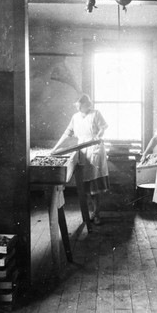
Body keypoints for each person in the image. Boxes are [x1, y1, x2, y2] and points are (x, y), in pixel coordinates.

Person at [51, 94, 109, 225]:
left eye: (80, 105)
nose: (78, 107)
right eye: (76, 105)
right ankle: (90, 212)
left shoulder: (96, 114)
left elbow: (103, 128)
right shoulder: (75, 117)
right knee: (86, 186)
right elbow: (67, 133)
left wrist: (98, 136)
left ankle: (97, 213)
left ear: (87, 104)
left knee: (95, 186)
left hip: (95, 150)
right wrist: (55, 148)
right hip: (82, 150)